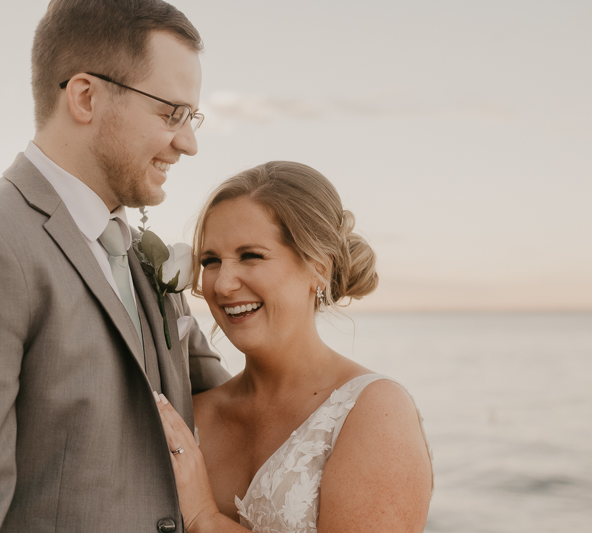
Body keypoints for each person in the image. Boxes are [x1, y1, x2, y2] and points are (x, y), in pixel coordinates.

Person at [0, 0, 229, 531]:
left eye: (192, 118)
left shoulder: (140, 255)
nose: (189, 142)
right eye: (170, 113)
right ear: (85, 97)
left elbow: (238, 405)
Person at [154, 161, 433, 532]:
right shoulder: (191, 415)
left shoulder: (374, 412)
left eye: (251, 255)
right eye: (211, 261)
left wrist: (205, 518)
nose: (222, 284)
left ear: (319, 268)